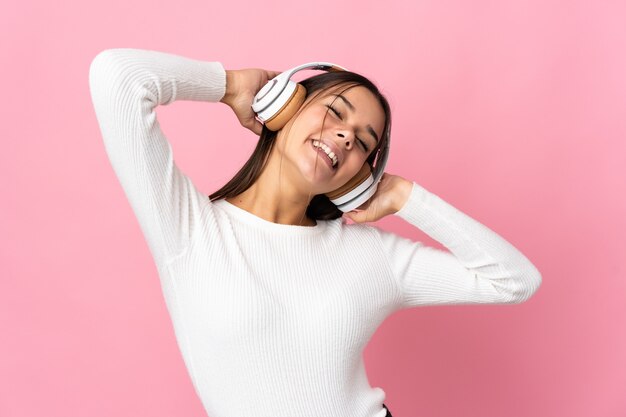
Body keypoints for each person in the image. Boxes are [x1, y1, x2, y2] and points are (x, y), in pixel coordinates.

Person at [89, 48, 542, 417]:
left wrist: (406, 197)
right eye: (335, 113)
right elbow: (117, 77)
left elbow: (515, 280)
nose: (346, 137)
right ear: (282, 107)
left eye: (364, 143)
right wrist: (229, 85)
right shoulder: (189, 227)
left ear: (357, 177)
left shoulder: (371, 255)